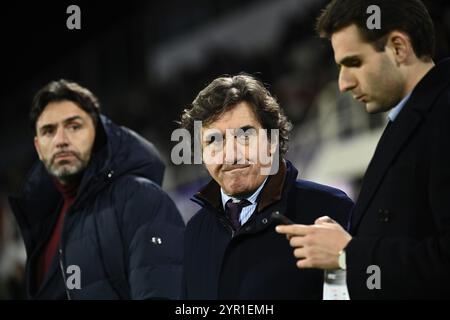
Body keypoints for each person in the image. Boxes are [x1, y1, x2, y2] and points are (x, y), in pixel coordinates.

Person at [276, 0, 450, 299]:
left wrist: (348, 252)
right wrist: (350, 239)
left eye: (353, 62)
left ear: (398, 48)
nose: (342, 83)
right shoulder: (409, 120)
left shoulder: (442, 113)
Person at [180, 74, 353, 299]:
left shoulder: (329, 208)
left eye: (244, 136)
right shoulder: (194, 232)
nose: (231, 154)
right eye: (213, 141)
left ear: (272, 143)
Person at [9, 79, 185, 299]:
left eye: (74, 126)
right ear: (38, 147)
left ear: (98, 132)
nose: (61, 140)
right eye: (49, 131)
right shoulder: (45, 226)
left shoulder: (139, 198)